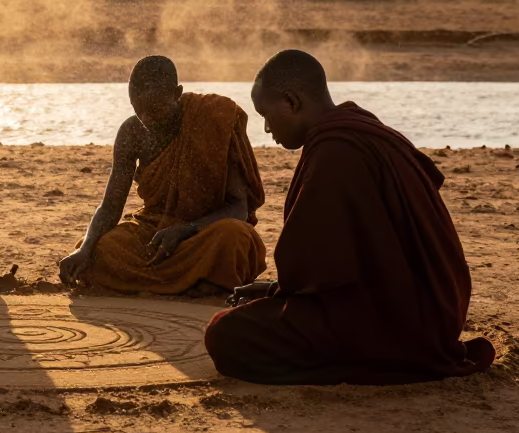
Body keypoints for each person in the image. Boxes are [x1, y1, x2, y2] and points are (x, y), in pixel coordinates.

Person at [205, 49, 495, 385]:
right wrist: (273, 289)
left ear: (291, 101)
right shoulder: (361, 130)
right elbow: (357, 257)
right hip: (431, 311)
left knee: (225, 333)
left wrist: (280, 292)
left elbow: (311, 264)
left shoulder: (337, 151)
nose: (267, 128)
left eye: (266, 115)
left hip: (399, 323)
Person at [58, 55, 266, 295]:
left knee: (235, 237)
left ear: (177, 94)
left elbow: (239, 208)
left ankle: (172, 282)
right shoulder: (131, 132)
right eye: (139, 111)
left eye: (156, 110)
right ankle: (195, 284)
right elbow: (111, 206)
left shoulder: (213, 118)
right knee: (105, 248)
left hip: (205, 232)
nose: (147, 120)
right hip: (155, 232)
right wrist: (84, 249)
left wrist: (185, 230)